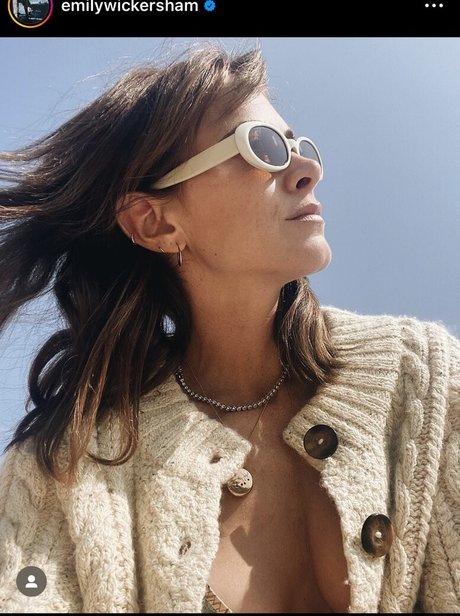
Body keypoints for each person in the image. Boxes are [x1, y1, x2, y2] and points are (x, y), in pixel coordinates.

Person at [0, 42, 459, 614]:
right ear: (155, 222)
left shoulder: (426, 376)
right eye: (261, 146)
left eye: (301, 146)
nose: (308, 169)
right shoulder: (66, 467)